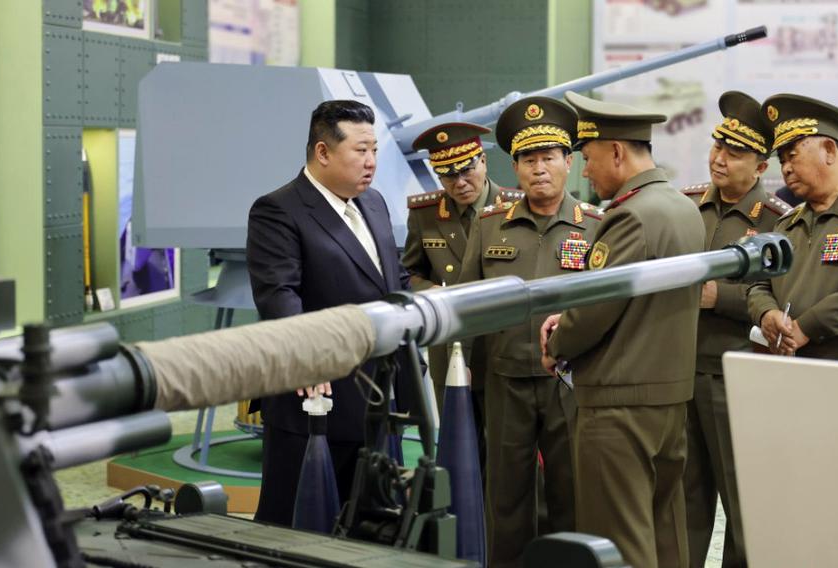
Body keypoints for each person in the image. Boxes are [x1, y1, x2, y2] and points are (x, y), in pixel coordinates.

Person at [541, 90, 703, 568]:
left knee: (621, 538)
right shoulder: (681, 207)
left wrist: (556, 340)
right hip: (669, 399)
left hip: (619, 405)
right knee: (666, 530)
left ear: (616, 151)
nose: (584, 171)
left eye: (588, 158)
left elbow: (596, 308)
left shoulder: (630, 215)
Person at [246, 100, 412, 527]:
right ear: (323, 152)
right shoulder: (279, 210)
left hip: (379, 398)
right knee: (299, 525)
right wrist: (309, 353)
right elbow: (279, 295)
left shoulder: (373, 203)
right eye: (360, 150)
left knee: (371, 523)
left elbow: (393, 278)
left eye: (374, 150)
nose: (371, 161)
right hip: (316, 399)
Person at [459, 96, 600, 568]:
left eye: (549, 158)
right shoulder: (491, 224)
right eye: (528, 159)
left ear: (570, 162)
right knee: (506, 497)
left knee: (571, 494)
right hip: (506, 382)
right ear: (515, 167)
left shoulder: (598, 228)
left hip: (570, 384)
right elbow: (464, 305)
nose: (539, 169)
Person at [680, 91, 791, 568]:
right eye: (717, 147)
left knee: (742, 503)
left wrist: (717, 297)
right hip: (680, 371)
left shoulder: (778, 223)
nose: (719, 159)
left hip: (735, 376)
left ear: (761, 167)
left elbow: (784, 299)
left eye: (735, 153)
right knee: (683, 501)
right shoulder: (686, 208)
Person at [748, 93, 838, 363]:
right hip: (790, 367)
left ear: (829, 150)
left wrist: (806, 328)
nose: (786, 169)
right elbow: (759, 283)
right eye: (781, 161)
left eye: (792, 156)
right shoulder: (786, 224)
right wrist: (766, 313)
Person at [402, 122, 522, 415]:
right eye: (447, 175)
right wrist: (429, 291)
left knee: (507, 451)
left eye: (467, 170)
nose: (459, 183)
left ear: (483, 160)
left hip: (504, 347)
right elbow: (406, 273)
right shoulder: (426, 214)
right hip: (451, 348)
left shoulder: (517, 208)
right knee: (457, 448)